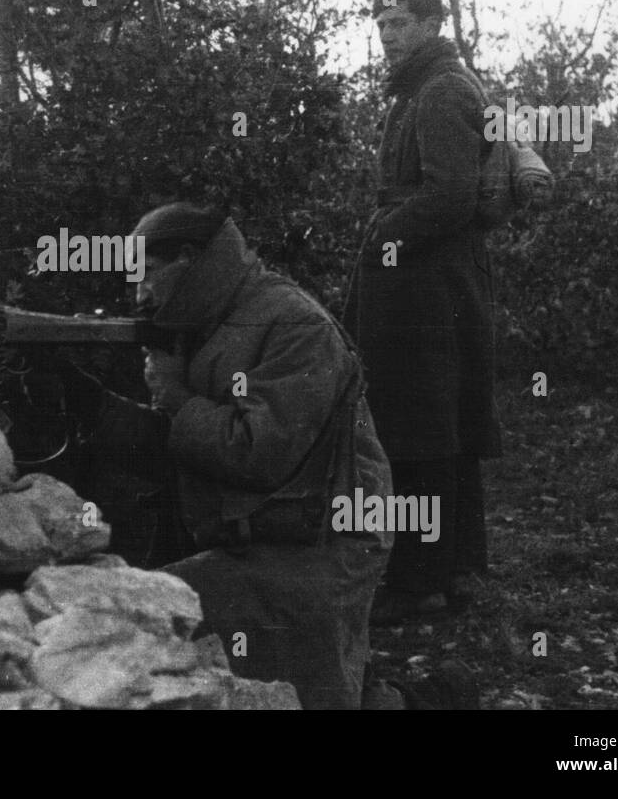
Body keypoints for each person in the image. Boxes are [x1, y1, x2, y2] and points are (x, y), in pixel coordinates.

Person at [60, 203, 393, 709]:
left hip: (323, 541)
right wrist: (88, 403)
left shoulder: (292, 323)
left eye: (146, 275)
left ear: (189, 259)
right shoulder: (213, 318)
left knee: (156, 622)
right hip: (270, 528)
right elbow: (183, 449)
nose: (140, 295)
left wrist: (174, 395)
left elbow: (258, 455)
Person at [343, 0, 502, 624]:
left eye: (399, 23)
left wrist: (386, 231)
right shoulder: (423, 88)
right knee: (443, 428)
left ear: (432, 25)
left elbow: (450, 195)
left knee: (422, 430)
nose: (386, 36)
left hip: (428, 286)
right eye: (380, 26)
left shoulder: (438, 92)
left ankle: (419, 582)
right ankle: (458, 571)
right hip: (429, 281)